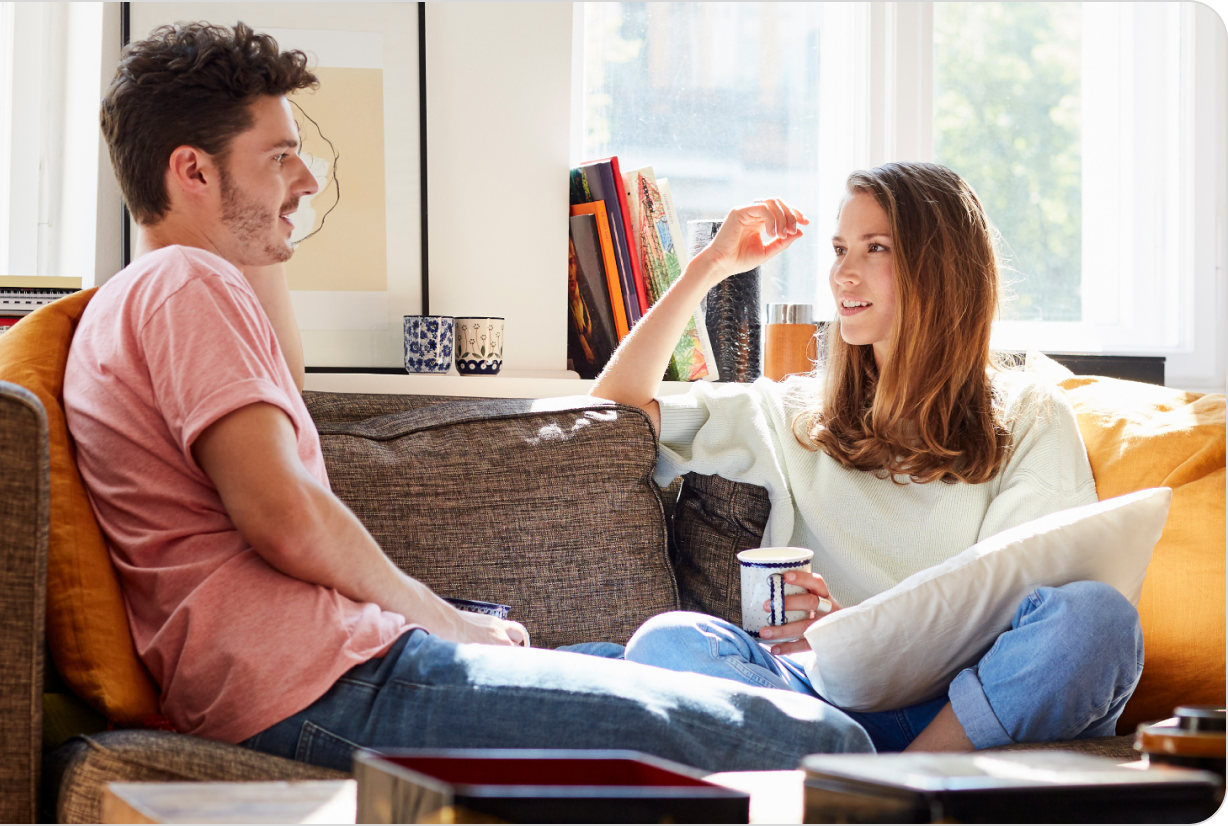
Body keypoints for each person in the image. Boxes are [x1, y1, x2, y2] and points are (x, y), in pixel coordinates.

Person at [62, 20, 873, 773]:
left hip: (342, 669)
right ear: (192, 169)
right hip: (329, 685)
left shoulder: (161, 293)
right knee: (822, 744)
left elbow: (287, 378)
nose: (308, 178)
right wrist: (439, 620)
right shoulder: (184, 284)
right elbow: (284, 514)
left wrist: (264, 216)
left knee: (667, 672)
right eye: (280, 156)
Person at [583, 162, 1140, 753]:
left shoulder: (1029, 412)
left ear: (941, 269)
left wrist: (857, 630)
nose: (843, 274)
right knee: (668, 643)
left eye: (874, 248)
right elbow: (614, 412)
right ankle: (864, 774)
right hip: (825, 703)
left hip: (969, 705)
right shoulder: (793, 413)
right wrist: (708, 269)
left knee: (1096, 620)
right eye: (839, 248)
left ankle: (887, 780)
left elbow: (1008, 609)